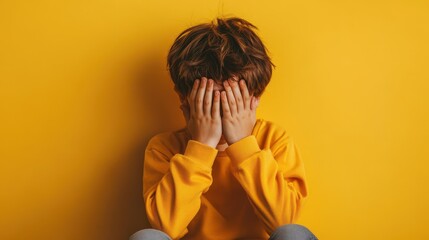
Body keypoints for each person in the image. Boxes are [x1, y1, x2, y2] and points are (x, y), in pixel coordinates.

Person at [130, 17, 318, 240]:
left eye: (231, 102)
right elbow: (164, 227)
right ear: (184, 99)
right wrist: (201, 146)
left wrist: (242, 144)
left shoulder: (273, 139)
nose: (221, 116)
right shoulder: (164, 147)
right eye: (208, 102)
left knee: (294, 234)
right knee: (146, 237)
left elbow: (283, 221)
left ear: (254, 98)